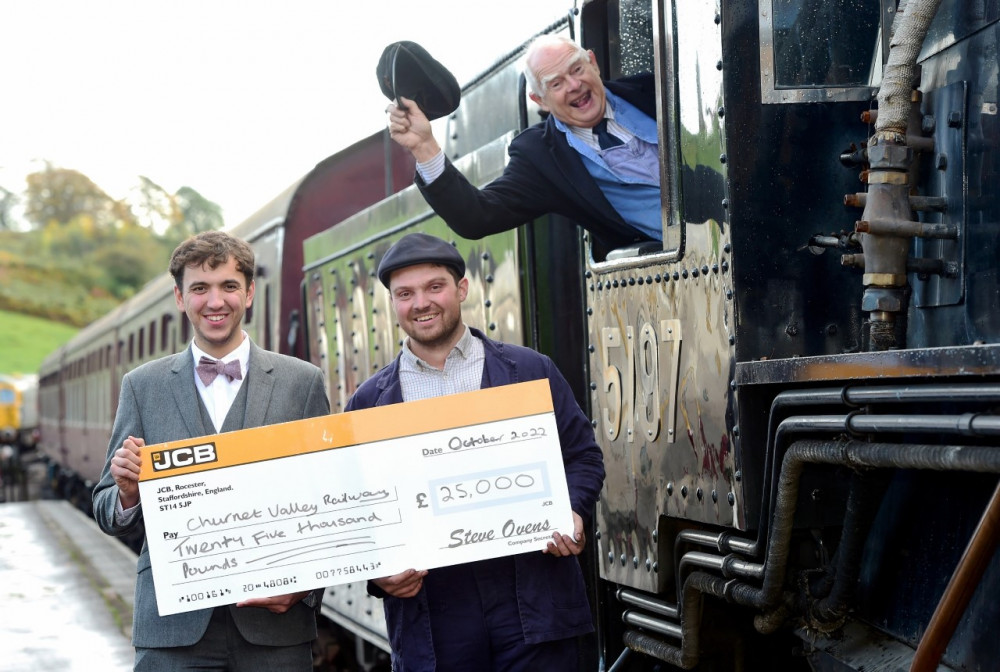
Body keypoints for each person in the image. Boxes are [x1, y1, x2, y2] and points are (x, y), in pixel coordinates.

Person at [345, 232, 606, 671]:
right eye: (405, 294)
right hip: (434, 608)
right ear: (392, 303)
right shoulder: (371, 401)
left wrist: (575, 510)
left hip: (532, 594)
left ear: (461, 289)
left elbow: (583, 457)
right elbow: (354, 506)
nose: (421, 303)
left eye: (434, 287)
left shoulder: (528, 370)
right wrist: (378, 572)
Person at [92, 231, 330, 671]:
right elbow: (106, 508)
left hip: (274, 628)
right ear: (181, 298)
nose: (215, 301)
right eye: (200, 288)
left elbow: (328, 500)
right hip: (172, 629)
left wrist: (305, 588)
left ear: (250, 292)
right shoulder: (142, 386)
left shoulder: (303, 383)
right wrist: (126, 493)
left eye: (228, 286)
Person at [386, 33, 660, 255]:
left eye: (577, 69)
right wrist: (424, 146)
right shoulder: (540, 158)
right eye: (556, 83)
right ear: (539, 100)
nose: (574, 85)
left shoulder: (657, 88)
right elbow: (477, 216)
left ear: (593, 63)